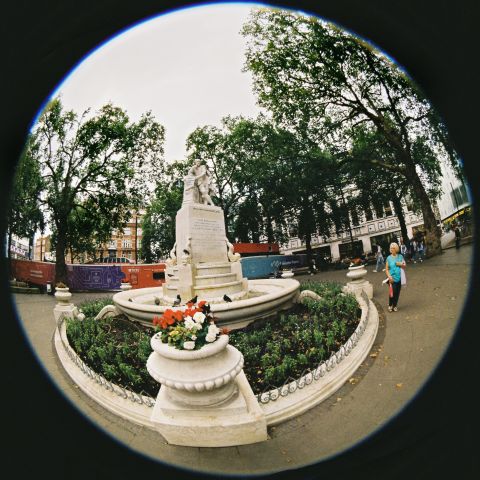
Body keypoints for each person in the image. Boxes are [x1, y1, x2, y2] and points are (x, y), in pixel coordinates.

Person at [385, 242, 406, 312]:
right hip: (392, 278)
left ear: (396, 249)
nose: (392, 249)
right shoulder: (388, 258)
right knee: (392, 292)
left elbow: (404, 265)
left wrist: (400, 264)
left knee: (397, 292)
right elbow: (387, 269)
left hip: (399, 278)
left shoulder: (400, 256)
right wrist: (389, 276)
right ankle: (390, 305)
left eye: (393, 248)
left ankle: (395, 305)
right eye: (391, 248)